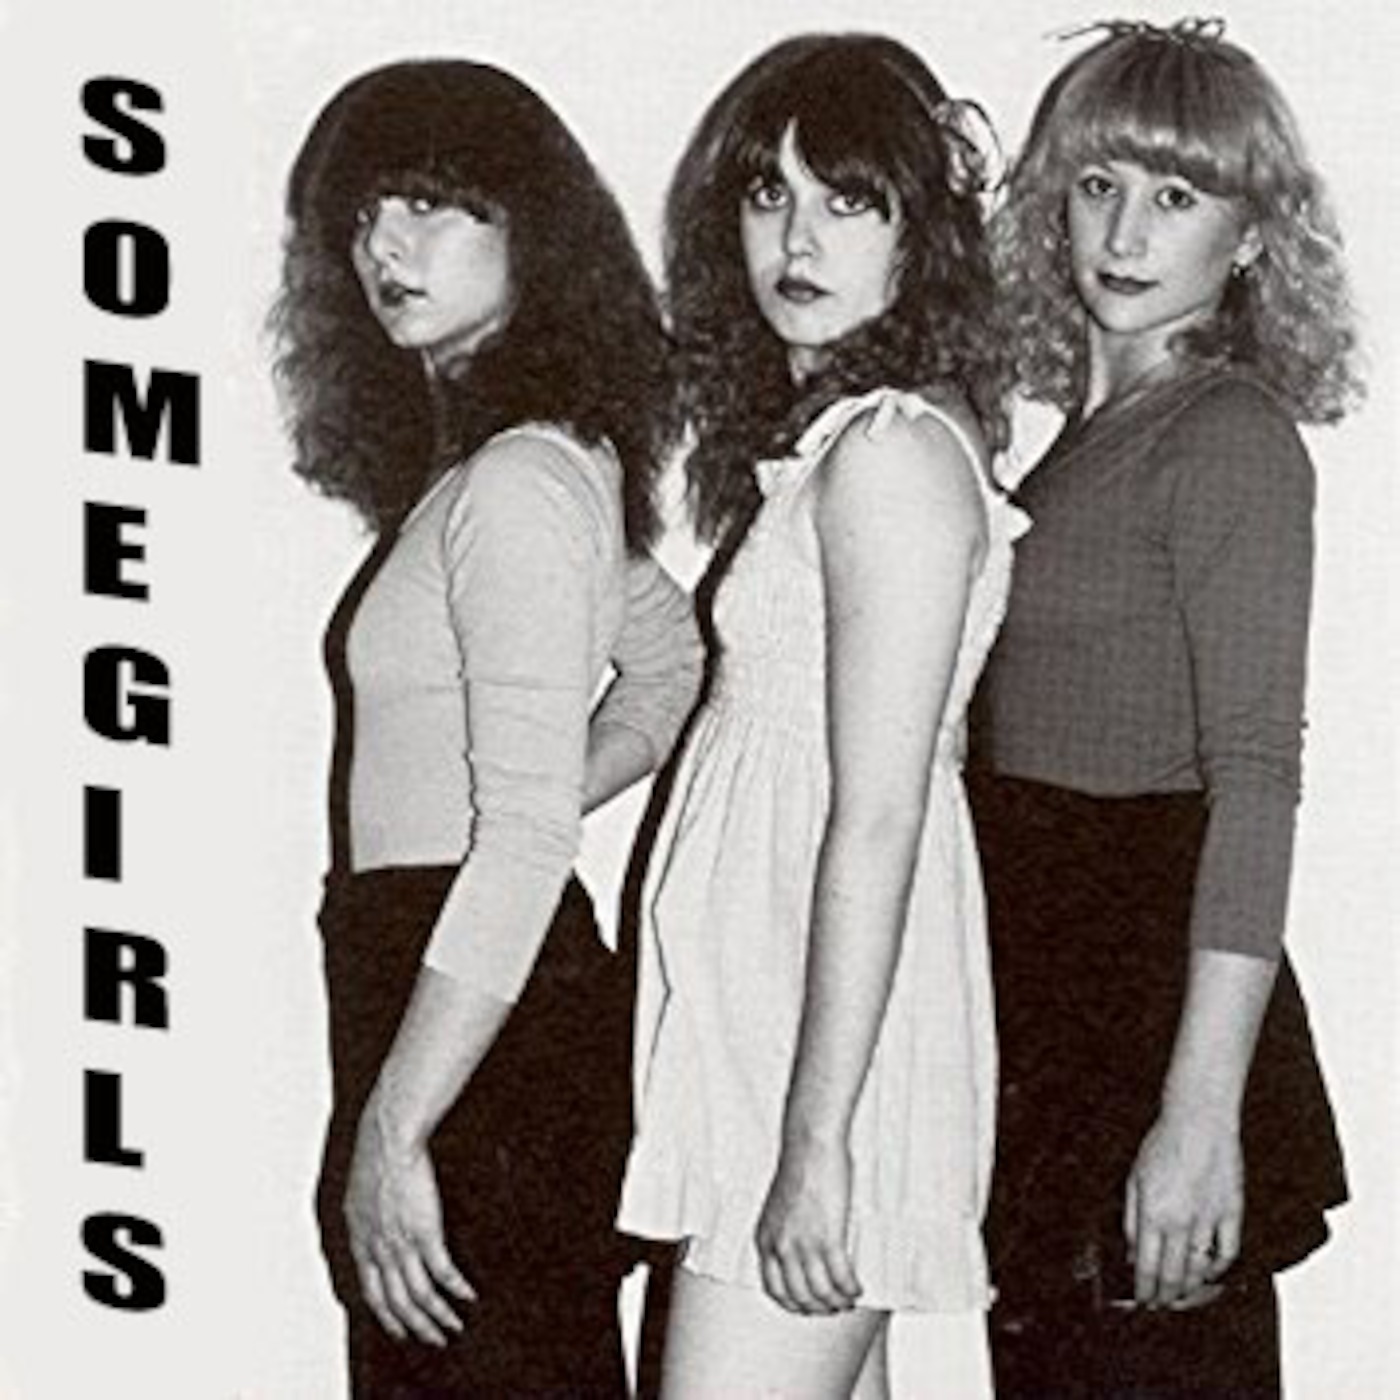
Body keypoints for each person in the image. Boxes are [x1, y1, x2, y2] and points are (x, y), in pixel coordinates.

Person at [271, 59, 703, 1397]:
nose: (384, 247)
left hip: (472, 1013)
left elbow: (521, 844)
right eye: (363, 216)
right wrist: (536, 795)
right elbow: (672, 660)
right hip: (458, 986)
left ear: (533, 229)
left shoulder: (519, 483)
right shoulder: (505, 471)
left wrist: (393, 1129)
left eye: (429, 204)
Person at [616, 34, 1024, 1399]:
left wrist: (816, 1142)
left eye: (849, 201)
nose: (797, 239)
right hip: (778, 1036)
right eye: (767, 194)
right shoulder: (842, 449)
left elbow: (882, 814)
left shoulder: (893, 457)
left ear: (923, 235)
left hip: (820, 1063)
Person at [969, 19, 1361, 1397]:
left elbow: (1255, 782)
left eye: (1177, 196)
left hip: (1144, 1002)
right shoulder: (1079, 448)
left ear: (1250, 238)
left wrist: (1199, 1117)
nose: (1126, 232)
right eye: (1099, 186)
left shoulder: (1228, 436)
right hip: (1052, 998)